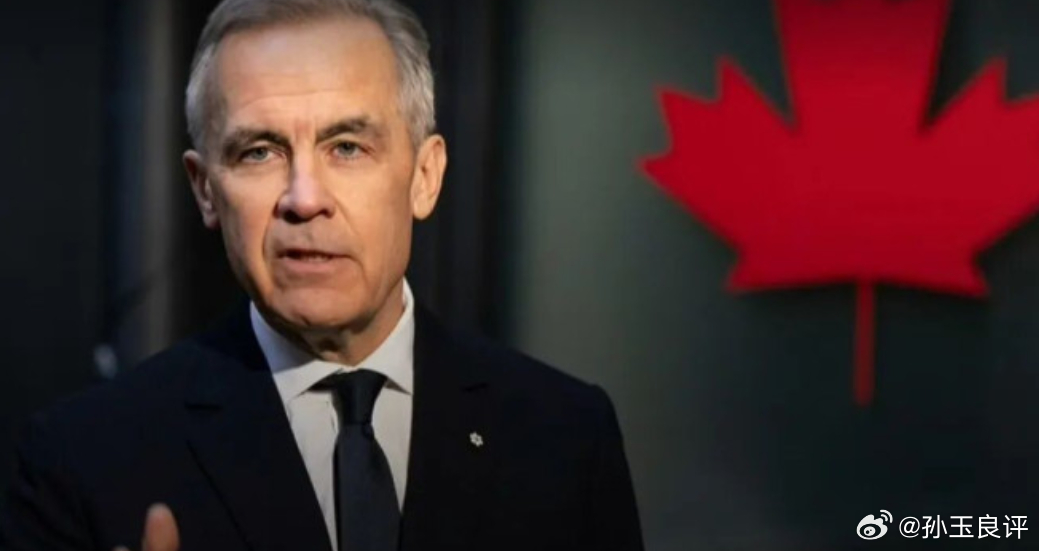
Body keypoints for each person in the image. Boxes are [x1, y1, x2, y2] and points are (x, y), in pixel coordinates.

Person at [0, 0, 644, 550]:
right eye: (259, 152)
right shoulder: (84, 461)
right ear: (205, 190)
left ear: (425, 176)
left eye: (347, 148)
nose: (304, 198)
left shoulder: (564, 435)